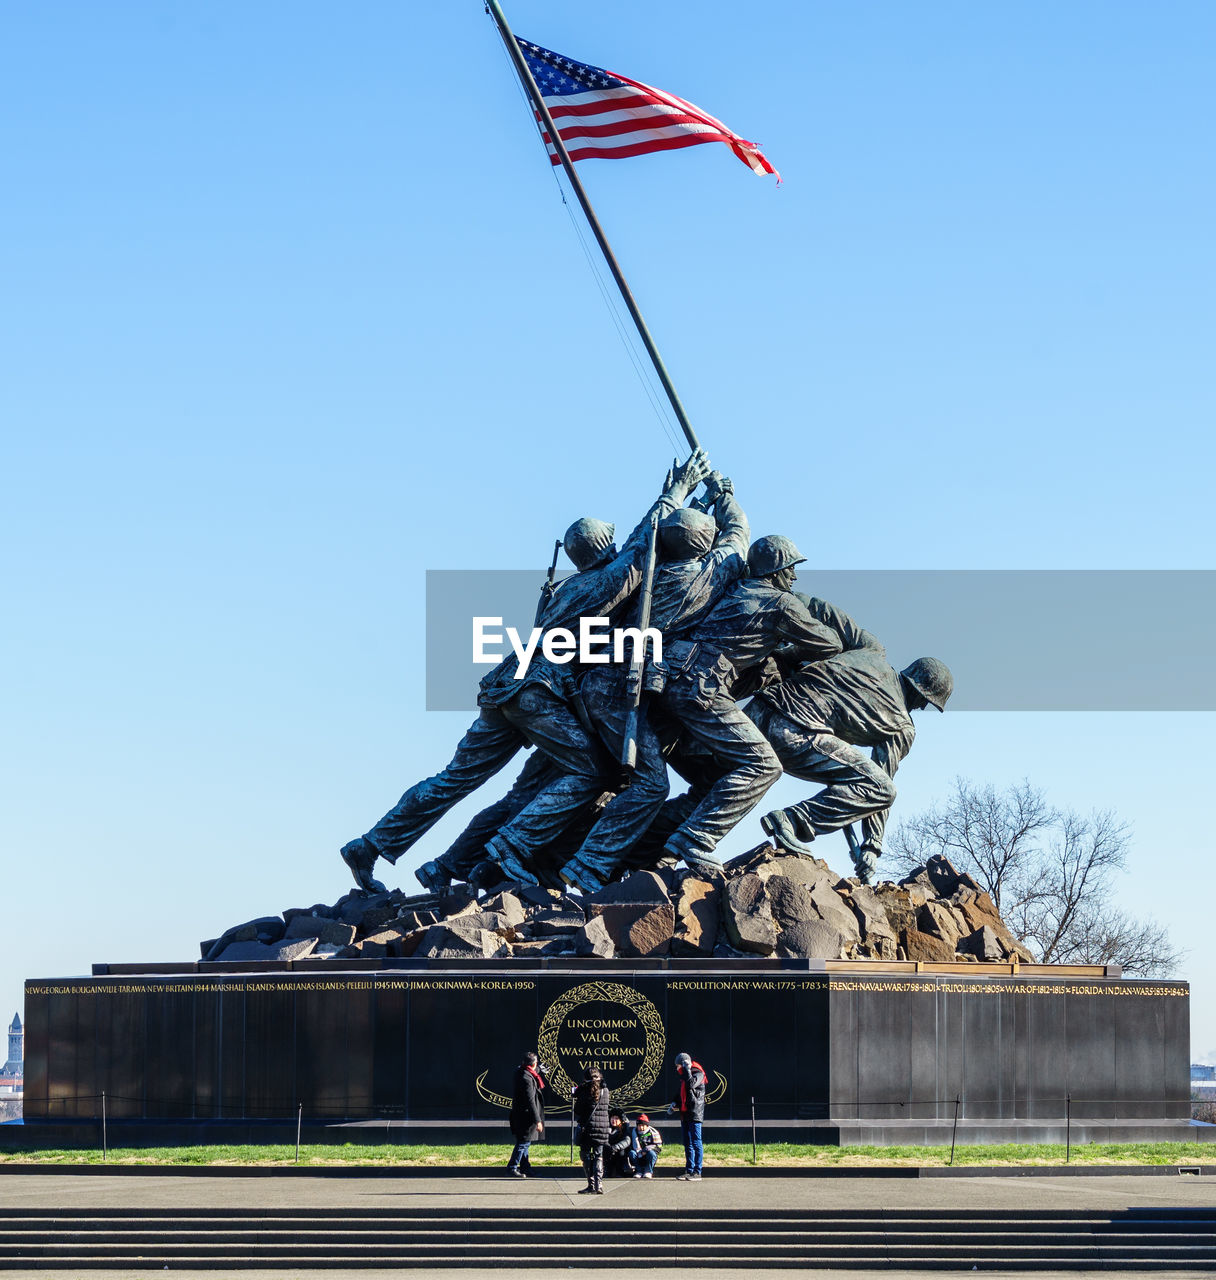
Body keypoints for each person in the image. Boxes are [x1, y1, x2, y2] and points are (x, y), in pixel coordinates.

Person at [337, 449, 708, 894]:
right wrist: (677, 491)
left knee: (454, 779)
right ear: (605, 547)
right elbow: (643, 542)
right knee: (591, 772)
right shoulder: (608, 579)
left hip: (507, 684)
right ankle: (508, 850)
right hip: (540, 691)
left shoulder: (568, 586)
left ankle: (372, 844)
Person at [558, 471, 750, 892]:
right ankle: (588, 865)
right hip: (617, 688)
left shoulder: (643, 569)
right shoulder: (711, 575)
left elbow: (641, 539)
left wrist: (677, 496)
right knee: (650, 783)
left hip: (599, 683)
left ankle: (594, 859)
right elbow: (738, 533)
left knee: (625, 778)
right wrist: (725, 497)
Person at [651, 536, 843, 876]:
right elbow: (829, 643)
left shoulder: (734, 590)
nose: (795, 577)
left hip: (673, 680)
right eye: (791, 569)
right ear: (777, 570)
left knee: (714, 778)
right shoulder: (782, 603)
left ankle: (646, 849)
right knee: (764, 765)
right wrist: (790, 634)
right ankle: (696, 838)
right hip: (703, 687)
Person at [747, 595, 954, 883]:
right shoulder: (902, 726)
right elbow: (880, 786)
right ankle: (792, 821)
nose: (921, 708)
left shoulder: (871, 649)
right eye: (926, 702)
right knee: (883, 789)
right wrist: (872, 846)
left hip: (754, 713)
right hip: (792, 734)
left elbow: (822, 609)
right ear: (922, 693)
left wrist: (775, 591)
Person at [667, 1051, 707, 1181]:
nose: (677, 1068)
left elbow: (690, 1085)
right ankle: (689, 1170)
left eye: (678, 1065)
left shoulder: (698, 1073)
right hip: (685, 1113)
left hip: (695, 1113)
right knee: (687, 1143)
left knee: (696, 1142)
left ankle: (697, 1172)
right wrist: (674, 1103)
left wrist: (687, 1069)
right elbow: (682, 1094)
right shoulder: (684, 1076)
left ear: (684, 1064)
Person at [572, 1065, 611, 1194]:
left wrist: (577, 1094)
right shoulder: (605, 1090)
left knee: (586, 1155)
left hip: (588, 1128)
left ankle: (591, 1184)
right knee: (599, 1156)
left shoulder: (585, 1091)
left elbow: (577, 1110)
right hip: (603, 1127)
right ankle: (599, 1185)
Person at [507, 1051, 545, 1177]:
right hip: (526, 1116)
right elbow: (530, 1101)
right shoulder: (526, 1079)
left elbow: (532, 1071)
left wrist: (539, 1069)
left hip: (521, 1115)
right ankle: (512, 1167)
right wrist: (538, 1120)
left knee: (525, 1142)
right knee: (523, 1142)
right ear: (534, 1063)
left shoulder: (521, 1071)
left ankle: (525, 1167)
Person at [631, 1113, 662, 1179]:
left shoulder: (653, 1132)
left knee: (652, 1154)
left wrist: (646, 1150)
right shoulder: (634, 1132)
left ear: (647, 1125)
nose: (641, 1127)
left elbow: (658, 1147)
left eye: (643, 1125)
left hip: (648, 1153)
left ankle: (648, 1171)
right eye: (639, 1125)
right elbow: (633, 1145)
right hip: (638, 1153)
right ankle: (638, 1171)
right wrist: (639, 1152)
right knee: (632, 1153)